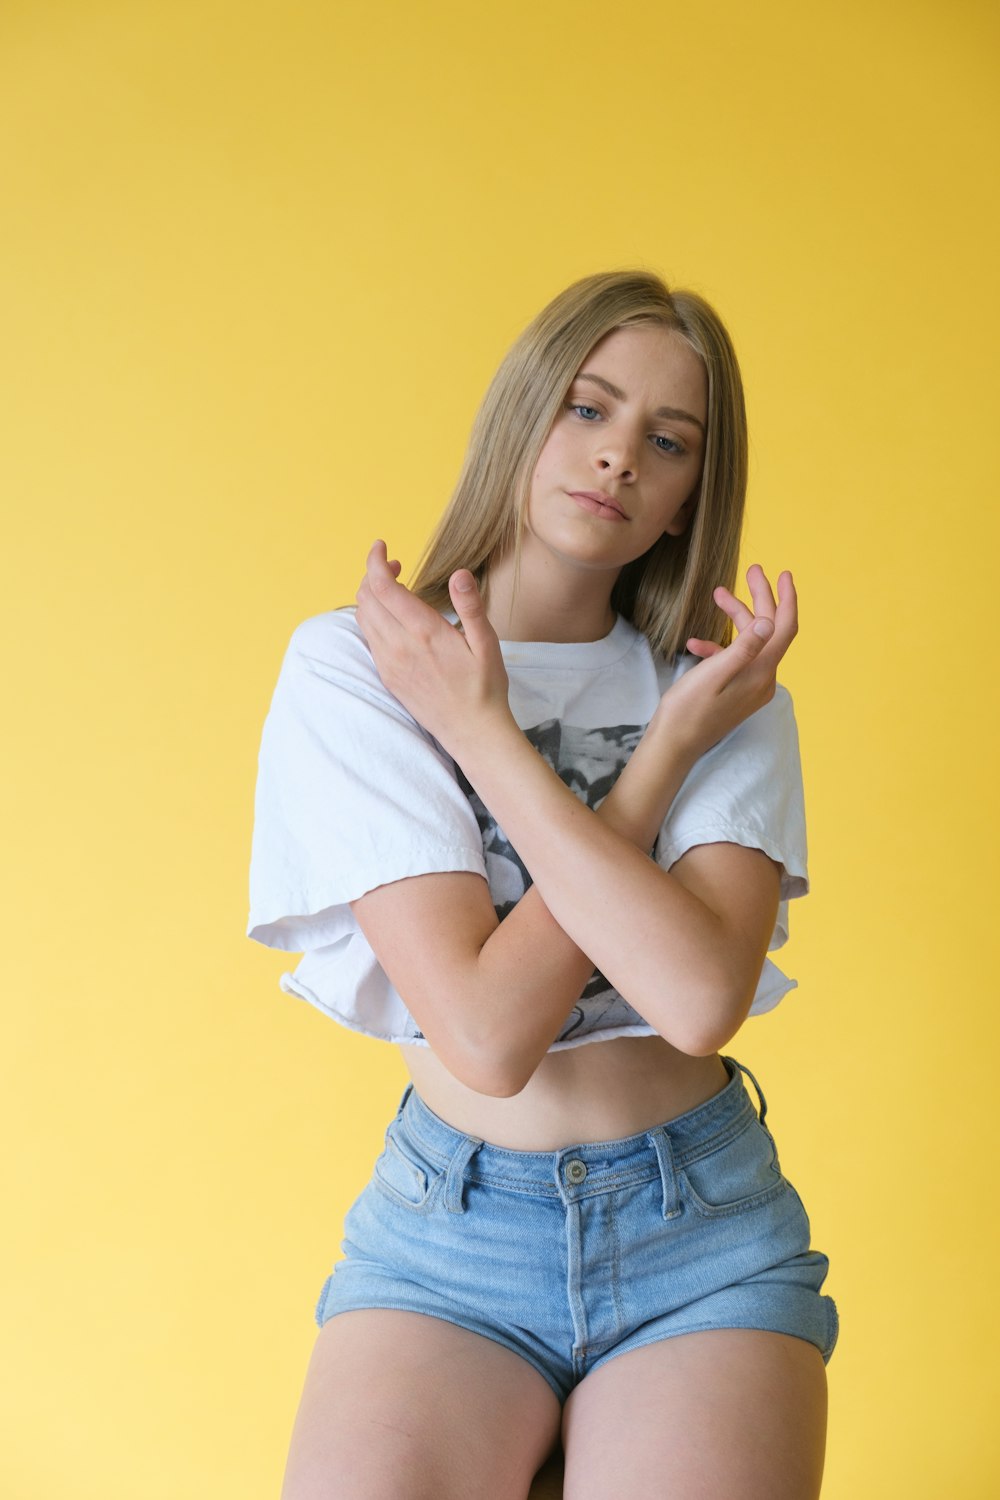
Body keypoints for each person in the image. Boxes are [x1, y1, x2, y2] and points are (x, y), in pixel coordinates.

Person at [247, 269, 839, 1499]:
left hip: (705, 1234)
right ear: (521, 418)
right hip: (446, 1241)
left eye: (666, 442)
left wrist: (630, 737)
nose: (620, 456)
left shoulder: (719, 696)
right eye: (587, 409)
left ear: (685, 499)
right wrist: (619, 766)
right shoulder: (361, 670)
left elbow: (693, 1003)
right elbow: (484, 1033)